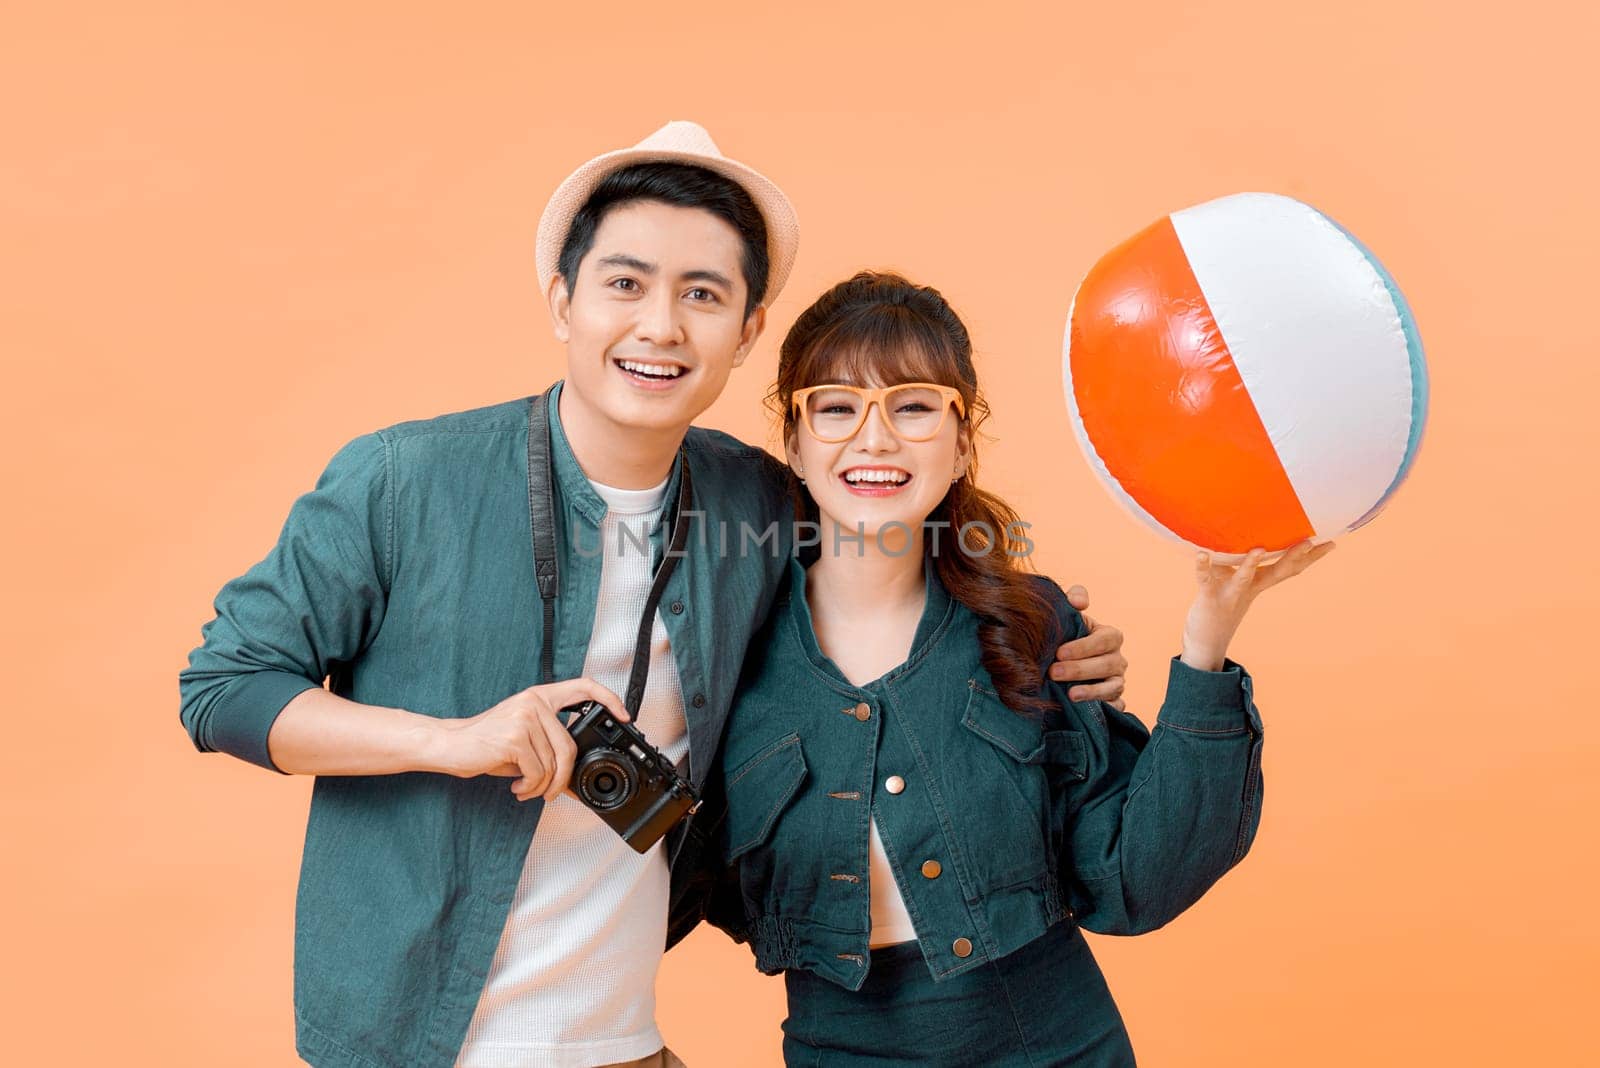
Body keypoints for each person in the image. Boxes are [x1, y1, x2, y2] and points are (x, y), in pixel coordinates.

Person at [177, 124, 1129, 1068]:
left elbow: (894, 525)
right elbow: (224, 688)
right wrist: (454, 741)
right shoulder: (402, 481)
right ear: (562, 299)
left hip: (626, 1045)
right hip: (423, 1044)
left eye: (702, 294)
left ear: (748, 330)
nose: (661, 326)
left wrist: (1043, 631)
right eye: (625, 283)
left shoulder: (759, 500)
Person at [703, 272, 1336, 1066]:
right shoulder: (723, 654)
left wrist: (1208, 636)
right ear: (792, 442)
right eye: (836, 407)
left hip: (1058, 1045)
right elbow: (672, 878)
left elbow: (1136, 876)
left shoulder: (1031, 627)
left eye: (913, 407)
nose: (875, 439)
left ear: (963, 439)